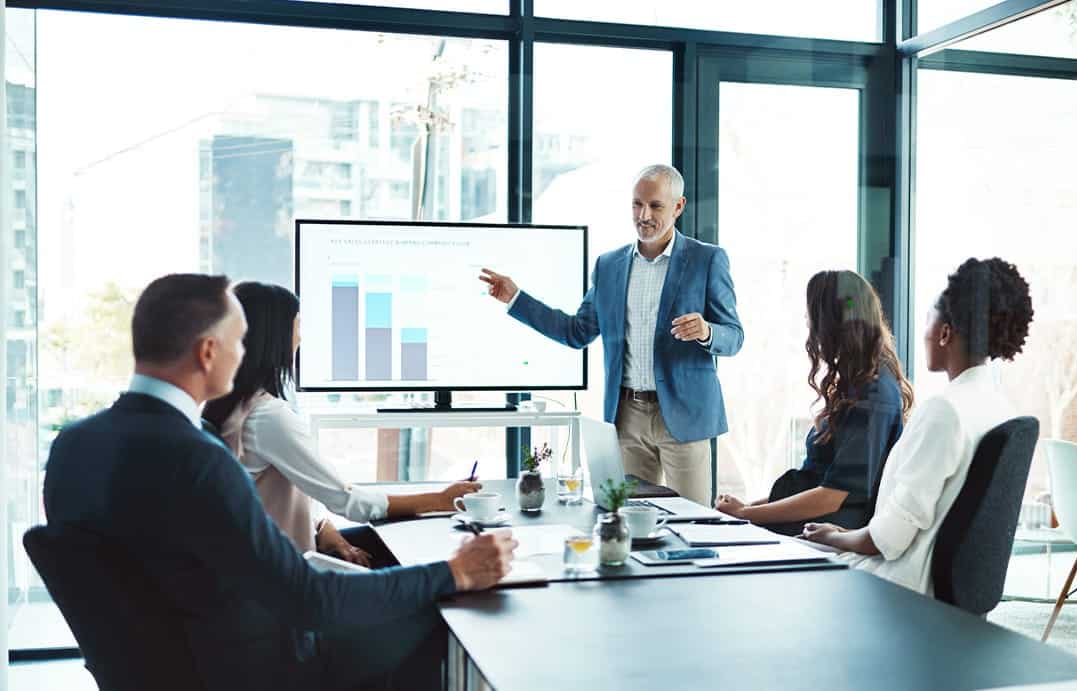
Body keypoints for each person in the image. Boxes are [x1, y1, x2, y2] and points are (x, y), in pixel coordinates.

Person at [43, 273, 516, 691]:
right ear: (209, 352)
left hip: (161, 667)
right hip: (248, 669)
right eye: (239, 341)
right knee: (433, 614)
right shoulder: (199, 458)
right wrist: (453, 572)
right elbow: (308, 600)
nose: (244, 353)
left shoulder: (71, 446)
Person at [480, 164, 743, 503]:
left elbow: (734, 336)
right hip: (626, 416)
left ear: (678, 207)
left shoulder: (707, 260)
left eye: (656, 206)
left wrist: (707, 331)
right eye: (637, 204)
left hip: (684, 417)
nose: (643, 215)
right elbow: (576, 332)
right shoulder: (609, 265)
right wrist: (516, 298)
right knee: (629, 521)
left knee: (692, 522)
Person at [203, 281, 481, 567]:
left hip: (258, 559)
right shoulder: (267, 417)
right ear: (276, 336)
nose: (301, 338)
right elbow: (348, 502)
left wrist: (323, 527)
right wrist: (440, 500)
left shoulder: (229, 406)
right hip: (283, 573)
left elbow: (275, 494)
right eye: (298, 326)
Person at [802, 257, 1034, 595]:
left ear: (944, 333)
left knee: (775, 563)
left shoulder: (944, 411)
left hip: (897, 587)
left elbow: (887, 540)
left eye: (928, 318)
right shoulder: (999, 406)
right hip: (936, 591)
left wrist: (833, 536)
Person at [715, 270, 913, 536]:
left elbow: (832, 496)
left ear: (831, 323)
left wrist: (746, 515)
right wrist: (746, 509)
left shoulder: (873, 395)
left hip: (826, 533)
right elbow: (816, 482)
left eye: (812, 315)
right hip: (811, 525)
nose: (808, 323)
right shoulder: (858, 383)